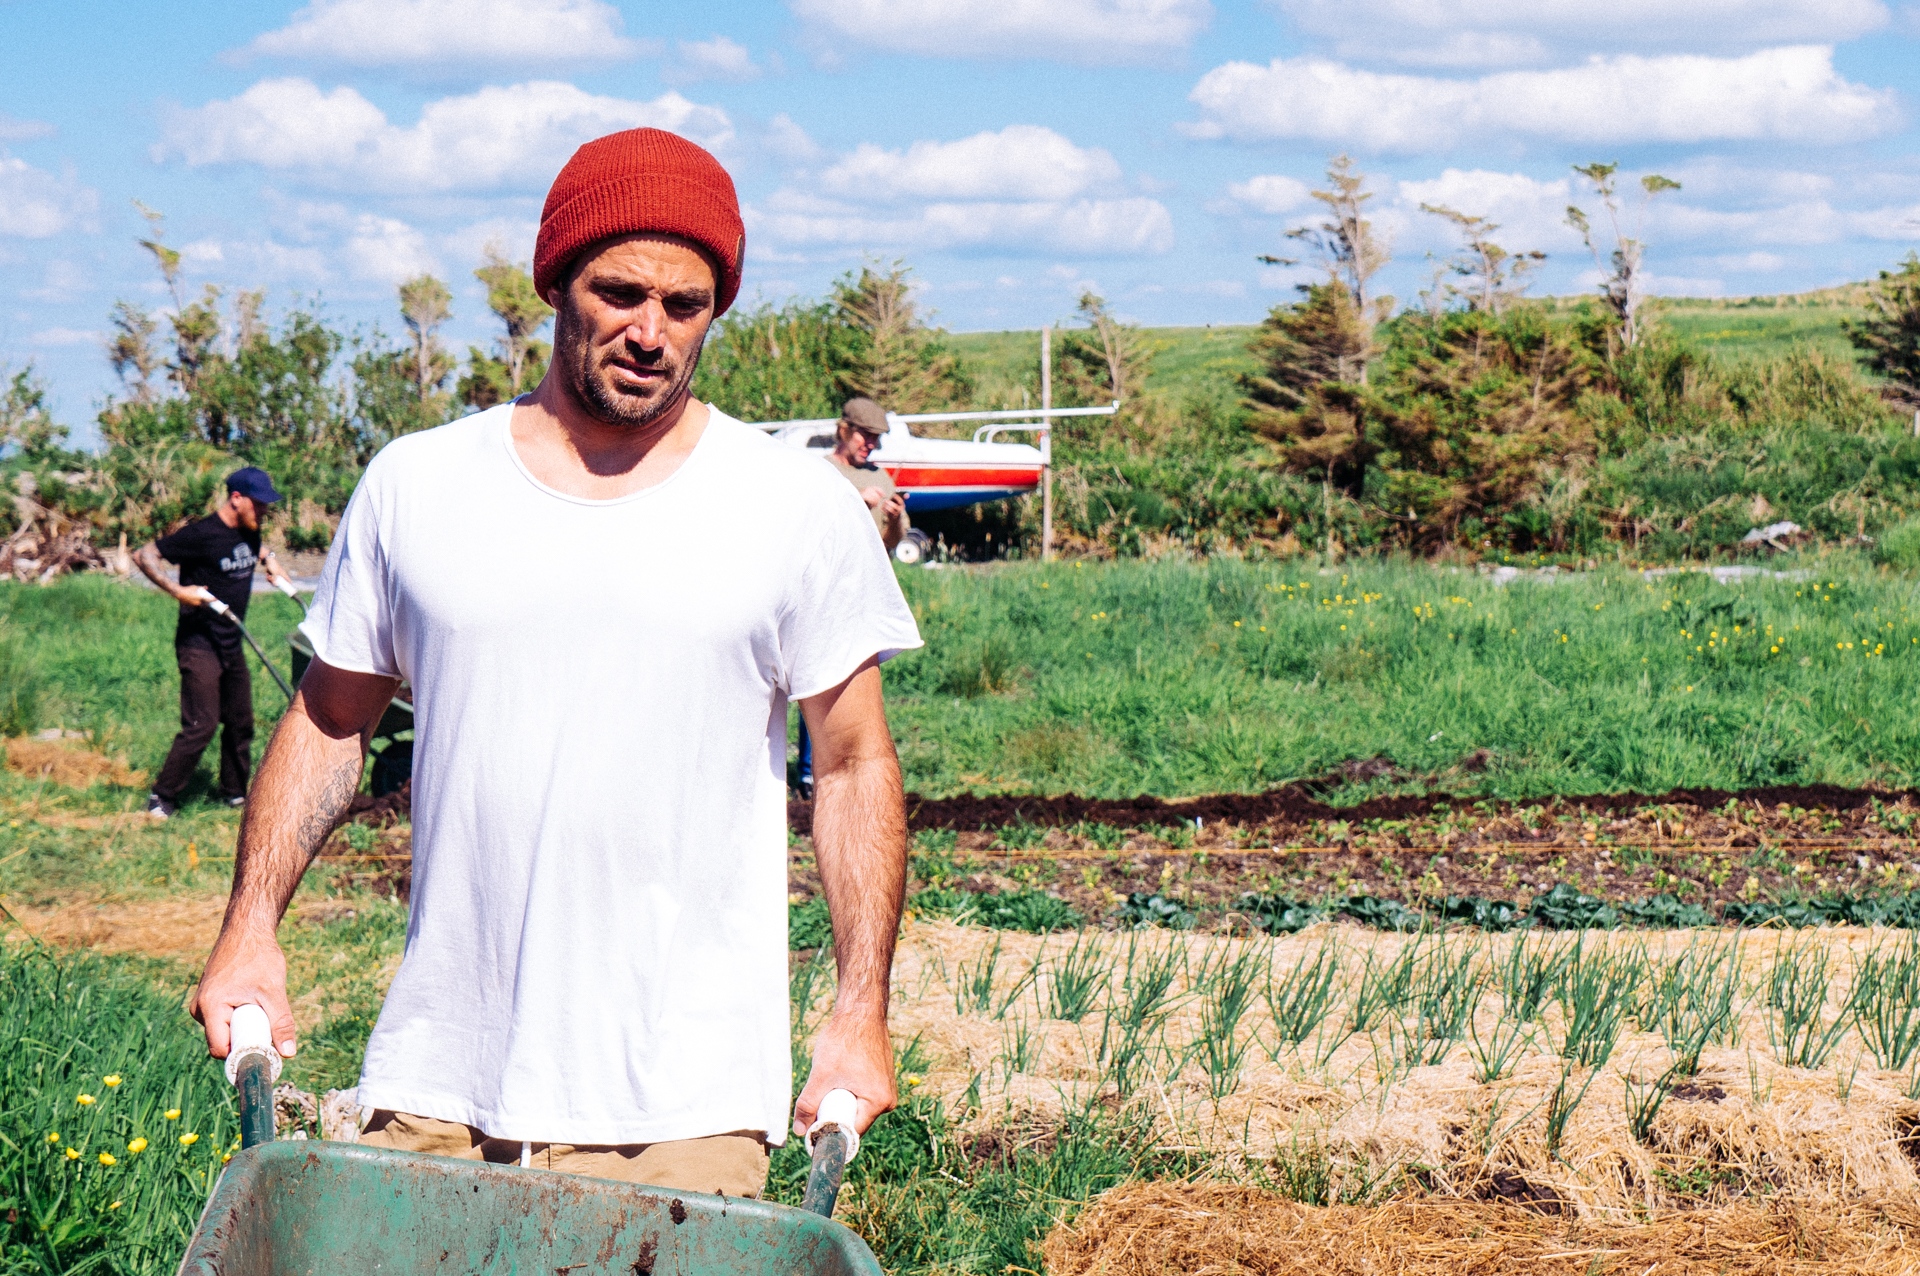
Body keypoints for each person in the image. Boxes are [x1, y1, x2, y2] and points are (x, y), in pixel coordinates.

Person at [189, 128, 922, 1199]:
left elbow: (853, 763)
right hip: (438, 1083)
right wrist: (249, 930)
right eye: (618, 291)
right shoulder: (419, 485)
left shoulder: (797, 508)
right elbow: (333, 718)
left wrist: (861, 1014)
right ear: (555, 285)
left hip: (686, 1104)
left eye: (685, 305)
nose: (650, 332)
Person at [135, 467, 293, 819]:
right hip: (199, 643)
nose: (265, 511)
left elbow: (254, 546)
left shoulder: (248, 528)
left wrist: (270, 560)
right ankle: (161, 797)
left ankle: (234, 793)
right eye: (260, 504)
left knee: (241, 720)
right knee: (201, 724)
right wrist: (178, 590)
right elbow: (144, 555)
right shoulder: (202, 534)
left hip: (230, 642)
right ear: (236, 498)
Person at [828, 397, 908, 554]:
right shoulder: (823, 470)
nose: (871, 444)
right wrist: (856, 500)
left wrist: (894, 520)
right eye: (865, 435)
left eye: (875, 437)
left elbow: (892, 543)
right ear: (844, 430)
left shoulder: (880, 476)